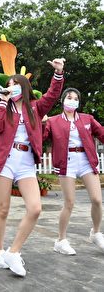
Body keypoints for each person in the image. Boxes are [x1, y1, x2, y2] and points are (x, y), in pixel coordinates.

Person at [0, 58, 65, 277]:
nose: (11, 87)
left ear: (24, 87)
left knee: (35, 208)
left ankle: (14, 252)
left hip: (26, 162)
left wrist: (58, 74)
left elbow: (52, 95)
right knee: (3, 209)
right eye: (9, 84)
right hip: (6, 159)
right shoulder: (4, 108)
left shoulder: (35, 107)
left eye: (15, 84)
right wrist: (3, 102)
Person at [43, 87, 104, 255]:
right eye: (69, 97)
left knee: (97, 200)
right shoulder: (53, 121)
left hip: (85, 161)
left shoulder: (87, 118)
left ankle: (96, 232)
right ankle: (60, 240)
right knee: (69, 203)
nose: (72, 100)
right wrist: (40, 123)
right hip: (66, 162)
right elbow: (40, 138)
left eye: (75, 98)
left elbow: (102, 133)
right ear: (63, 100)